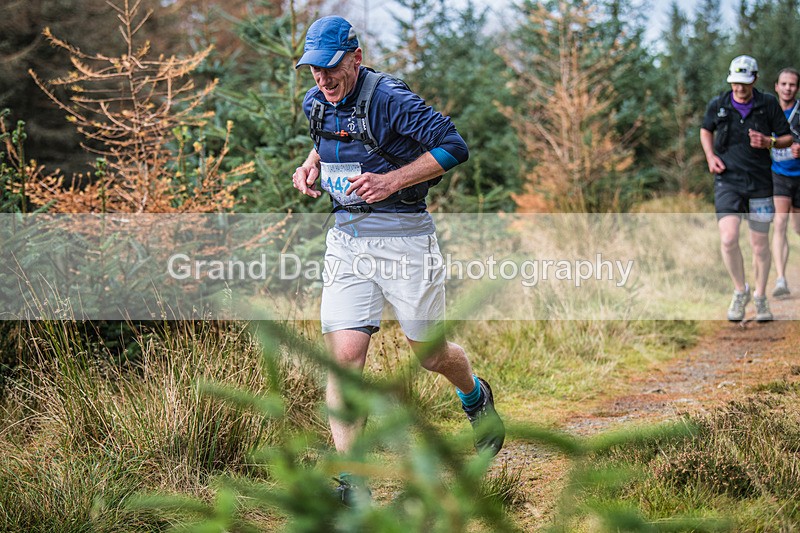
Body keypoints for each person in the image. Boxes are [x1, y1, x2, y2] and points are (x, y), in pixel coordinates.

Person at [291, 16, 505, 502]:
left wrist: (391, 181)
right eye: (313, 69)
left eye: (330, 67)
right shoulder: (315, 102)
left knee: (430, 354)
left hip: (404, 238)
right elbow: (327, 140)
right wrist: (310, 165)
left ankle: (475, 395)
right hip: (347, 239)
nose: (322, 78)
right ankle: (353, 485)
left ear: (356, 58)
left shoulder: (389, 98)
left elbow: (454, 147)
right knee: (344, 360)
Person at [700, 55, 792, 322]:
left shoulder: (768, 104)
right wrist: (710, 156)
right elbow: (705, 130)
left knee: (760, 245)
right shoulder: (719, 104)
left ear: (755, 79)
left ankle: (761, 297)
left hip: (760, 182)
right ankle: (741, 290)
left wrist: (769, 142)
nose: (739, 88)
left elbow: (787, 138)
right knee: (728, 238)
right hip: (728, 180)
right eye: (735, 82)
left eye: (744, 83)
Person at [770, 67, 800, 297]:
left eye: (792, 84)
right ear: (776, 86)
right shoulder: (768, 111)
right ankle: (780, 279)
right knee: (779, 223)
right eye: (784, 84)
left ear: (797, 88)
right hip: (778, 174)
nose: (788, 88)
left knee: (797, 227)